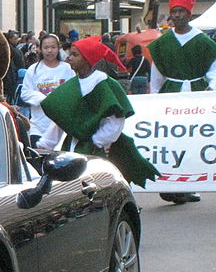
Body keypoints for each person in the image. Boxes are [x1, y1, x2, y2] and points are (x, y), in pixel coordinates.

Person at [38, 37, 159, 188]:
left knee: (98, 183)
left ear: (88, 59)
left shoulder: (104, 83)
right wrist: (46, 144)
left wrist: (98, 141)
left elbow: (116, 120)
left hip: (97, 148)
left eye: (75, 55)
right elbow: (62, 119)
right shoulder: (72, 84)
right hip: (72, 146)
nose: (70, 58)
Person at [147, 0, 216, 204]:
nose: (177, 15)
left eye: (181, 11)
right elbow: (156, 75)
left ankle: (192, 184)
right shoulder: (161, 44)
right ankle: (171, 184)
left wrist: (211, 90)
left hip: (197, 94)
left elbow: (213, 70)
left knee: (195, 140)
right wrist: (154, 99)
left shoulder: (204, 42)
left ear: (189, 13)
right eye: (174, 11)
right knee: (172, 141)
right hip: (171, 94)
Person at [19, 34, 74, 146]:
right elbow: (25, 93)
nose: (50, 50)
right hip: (39, 126)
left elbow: (74, 93)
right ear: (40, 49)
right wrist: (44, 99)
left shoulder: (67, 69)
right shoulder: (33, 70)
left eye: (53, 47)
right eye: (46, 47)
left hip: (62, 127)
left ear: (58, 48)